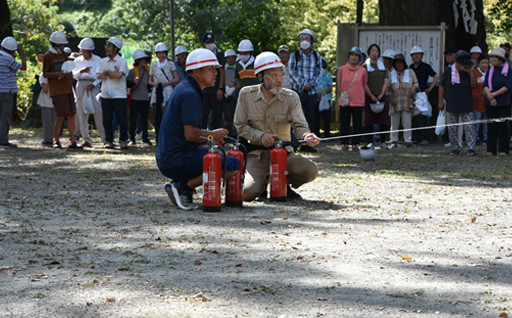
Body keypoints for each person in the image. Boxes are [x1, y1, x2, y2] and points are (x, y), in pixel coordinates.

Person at [156, 48, 240, 210]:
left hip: (170, 156)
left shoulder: (185, 88)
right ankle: (184, 187)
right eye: (210, 69)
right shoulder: (190, 94)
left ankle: (182, 184)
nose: (215, 73)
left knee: (218, 157)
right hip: (176, 159)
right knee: (233, 165)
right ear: (196, 71)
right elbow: (191, 134)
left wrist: (210, 136)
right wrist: (212, 134)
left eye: (215, 69)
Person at [234, 51, 320, 201]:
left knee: (310, 170)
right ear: (260, 77)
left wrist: (307, 136)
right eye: (274, 75)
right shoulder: (246, 95)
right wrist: (261, 136)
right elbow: (240, 126)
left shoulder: (291, 97)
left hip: (284, 155)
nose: (279, 79)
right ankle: (263, 184)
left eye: (281, 74)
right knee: (247, 193)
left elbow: (299, 125)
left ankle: (282, 184)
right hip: (257, 155)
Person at [43, 31, 81, 149]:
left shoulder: (64, 54)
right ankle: (56, 141)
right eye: (62, 45)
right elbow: (45, 73)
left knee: (71, 114)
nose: (64, 47)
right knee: (61, 115)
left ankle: (73, 141)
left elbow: (67, 67)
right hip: (57, 90)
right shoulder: (48, 56)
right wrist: (57, 74)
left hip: (67, 88)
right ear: (57, 44)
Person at [289, 29, 323, 153]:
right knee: (294, 118)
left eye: (307, 38)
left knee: (311, 118)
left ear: (311, 41)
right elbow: (291, 71)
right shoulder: (295, 55)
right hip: (298, 91)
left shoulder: (316, 55)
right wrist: (303, 84)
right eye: (302, 38)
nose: (304, 41)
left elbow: (319, 72)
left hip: (312, 92)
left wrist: (311, 84)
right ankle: (293, 144)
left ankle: (308, 145)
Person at [438, 50, 477, 156]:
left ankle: (471, 148)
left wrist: (469, 72)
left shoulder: (468, 71)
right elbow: (442, 86)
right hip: (452, 103)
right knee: (452, 128)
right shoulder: (448, 71)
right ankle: (455, 148)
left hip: (466, 103)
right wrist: (440, 101)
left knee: (469, 127)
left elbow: (474, 85)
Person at [96, 36, 129, 149]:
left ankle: (123, 140)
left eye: (109, 46)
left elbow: (119, 75)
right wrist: (111, 73)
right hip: (106, 94)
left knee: (122, 119)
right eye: (107, 45)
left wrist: (108, 73)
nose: (106, 48)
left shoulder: (122, 61)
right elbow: (99, 75)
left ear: (116, 48)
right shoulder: (102, 61)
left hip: (119, 95)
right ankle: (109, 140)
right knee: (106, 119)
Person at [72, 37, 105, 148]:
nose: (84, 53)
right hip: (81, 83)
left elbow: (101, 76)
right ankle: (86, 138)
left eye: (86, 51)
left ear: (90, 51)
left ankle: (104, 138)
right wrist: (81, 71)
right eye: (83, 51)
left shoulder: (98, 60)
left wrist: (94, 84)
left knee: (98, 111)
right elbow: (73, 75)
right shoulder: (77, 61)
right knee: (81, 112)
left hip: (93, 85)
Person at [483, 47, 512, 156]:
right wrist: (490, 97)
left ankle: (503, 149)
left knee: (503, 126)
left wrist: (494, 95)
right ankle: (491, 149)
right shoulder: (490, 70)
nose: (492, 59)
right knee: (491, 125)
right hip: (490, 102)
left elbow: (507, 86)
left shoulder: (508, 71)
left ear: (501, 59)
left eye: (495, 57)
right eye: (492, 57)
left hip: (503, 102)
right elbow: (485, 85)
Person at [149, 42, 179, 145]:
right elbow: (150, 81)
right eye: (159, 53)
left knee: (168, 115)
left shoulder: (171, 64)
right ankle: (158, 138)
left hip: (168, 92)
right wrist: (156, 84)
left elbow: (176, 78)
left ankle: (168, 138)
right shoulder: (153, 66)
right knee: (157, 116)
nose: (161, 55)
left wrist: (166, 83)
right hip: (156, 92)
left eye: (163, 53)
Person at [338, 46, 367, 151]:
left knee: (357, 123)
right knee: (344, 122)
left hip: (358, 100)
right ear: (349, 56)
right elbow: (340, 85)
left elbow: (363, 84)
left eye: (356, 56)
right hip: (345, 100)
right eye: (352, 55)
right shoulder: (342, 69)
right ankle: (344, 142)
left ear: (360, 58)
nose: (354, 58)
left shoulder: (363, 70)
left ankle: (355, 143)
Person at [387, 53, 418, 148]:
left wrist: (413, 88)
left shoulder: (410, 72)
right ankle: (394, 140)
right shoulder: (391, 73)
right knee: (394, 123)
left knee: (407, 122)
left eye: (401, 62)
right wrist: (391, 99)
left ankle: (408, 140)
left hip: (407, 100)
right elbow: (387, 89)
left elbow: (416, 83)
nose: (399, 65)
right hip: (395, 101)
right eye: (397, 63)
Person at [0, 36, 26, 148]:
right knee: (5, 116)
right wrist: (22, 54)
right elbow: (23, 67)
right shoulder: (9, 60)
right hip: (6, 92)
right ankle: (3, 140)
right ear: (12, 50)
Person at [409, 45, 438, 145]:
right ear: (412, 56)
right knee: (414, 117)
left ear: (421, 56)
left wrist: (430, 89)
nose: (416, 56)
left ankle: (426, 138)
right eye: (414, 54)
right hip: (413, 95)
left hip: (422, 95)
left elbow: (436, 76)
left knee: (424, 117)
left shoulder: (426, 66)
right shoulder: (410, 68)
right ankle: (416, 138)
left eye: (418, 54)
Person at [363, 43, 389, 149]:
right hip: (369, 96)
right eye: (373, 51)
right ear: (369, 52)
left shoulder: (382, 66)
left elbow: (386, 81)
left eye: (377, 51)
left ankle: (383, 141)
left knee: (383, 120)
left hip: (381, 96)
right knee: (369, 120)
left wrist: (381, 94)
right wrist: (371, 95)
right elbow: (363, 82)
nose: (375, 53)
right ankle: (370, 142)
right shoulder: (365, 66)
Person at [127, 49, 152, 146]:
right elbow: (127, 84)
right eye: (142, 59)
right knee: (132, 119)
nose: (144, 61)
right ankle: (132, 138)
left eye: (145, 59)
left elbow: (150, 83)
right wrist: (133, 82)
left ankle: (145, 138)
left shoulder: (148, 71)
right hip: (134, 97)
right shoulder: (132, 71)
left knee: (144, 119)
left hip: (145, 98)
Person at [201, 32, 225, 130]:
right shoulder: (201, 54)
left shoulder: (219, 53)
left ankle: (217, 139)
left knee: (217, 116)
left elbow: (222, 71)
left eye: (212, 41)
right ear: (203, 43)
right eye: (208, 42)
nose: (210, 44)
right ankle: (201, 139)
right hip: (205, 90)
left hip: (216, 90)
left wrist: (220, 88)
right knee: (203, 115)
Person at [472, 54, 489, 145]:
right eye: (482, 63)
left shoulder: (490, 73)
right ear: (478, 63)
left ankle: (486, 138)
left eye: (486, 63)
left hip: (487, 101)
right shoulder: (474, 72)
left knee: (486, 121)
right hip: (476, 101)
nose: (485, 65)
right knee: (476, 121)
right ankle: (475, 138)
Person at [37, 73, 57, 147]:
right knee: (47, 121)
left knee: (55, 122)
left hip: (56, 100)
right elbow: (45, 89)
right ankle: (47, 140)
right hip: (46, 101)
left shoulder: (58, 74)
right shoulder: (43, 75)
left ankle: (54, 139)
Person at [316, 57, 333, 138]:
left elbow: (330, 87)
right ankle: (316, 133)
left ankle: (327, 134)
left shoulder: (327, 75)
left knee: (326, 117)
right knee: (316, 117)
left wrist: (323, 93)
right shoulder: (314, 74)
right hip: (316, 98)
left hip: (326, 98)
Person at [223, 49, 238, 137]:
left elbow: (239, 81)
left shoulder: (237, 68)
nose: (231, 59)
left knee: (234, 115)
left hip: (235, 95)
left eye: (232, 58)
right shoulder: (223, 68)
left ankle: (234, 134)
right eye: (229, 58)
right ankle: (226, 134)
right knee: (226, 115)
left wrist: (234, 88)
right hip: (225, 95)